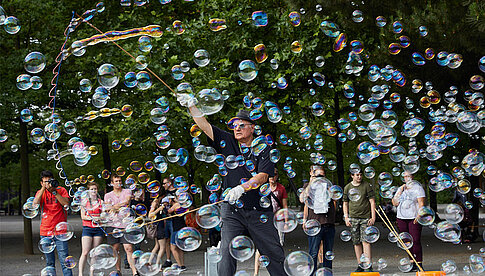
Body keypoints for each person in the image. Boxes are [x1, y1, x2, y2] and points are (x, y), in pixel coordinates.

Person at [177, 93, 285, 275]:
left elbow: (263, 176)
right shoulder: (228, 142)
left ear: (253, 128)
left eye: (241, 125)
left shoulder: (264, 148)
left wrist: (241, 187)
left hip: (259, 210)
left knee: (273, 254)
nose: (237, 128)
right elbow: (204, 126)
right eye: (234, 125)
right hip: (232, 211)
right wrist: (191, 105)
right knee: (226, 254)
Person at [33, 170, 72, 276]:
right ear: (41, 183)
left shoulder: (61, 190)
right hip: (45, 231)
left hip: (61, 231)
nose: (48, 183)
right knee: (49, 262)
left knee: (65, 260)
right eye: (45, 181)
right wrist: (43, 189)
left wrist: (54, 192)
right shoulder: (40, 192)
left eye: (49, 181)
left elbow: (65, 203)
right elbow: (35, 204)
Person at [299, 165, 336, 274]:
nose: (320, 178)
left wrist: (329, 189)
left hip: (328, 223)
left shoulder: (329, 186)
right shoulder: (308, 186)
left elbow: (335, 198)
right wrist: (311, 183)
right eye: (318, 175)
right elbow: (302, 200)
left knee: (328, 253)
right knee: (313, 253)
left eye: (322, 175)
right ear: (312, 174)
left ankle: (327, 274)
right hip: (314, 223)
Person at [254, 168, 287, 275]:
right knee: (260, 246)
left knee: (278, 245)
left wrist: (286, 221)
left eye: (275, 174)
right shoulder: (262, 188)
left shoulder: (281, 188)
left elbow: (284, 206)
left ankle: (277, 271)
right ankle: (256, 273)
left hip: (278, 220)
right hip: (265, 220)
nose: (273, 176)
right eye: (271, 174)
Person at [104, 175, 138, 276]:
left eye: (119, 181)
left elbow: (126, 202)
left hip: (126, 224)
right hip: (112, 224)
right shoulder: (108, 195)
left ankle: (134, 272)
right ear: (112, 183)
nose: (118, 183)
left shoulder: (127, 191)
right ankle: (118, 271)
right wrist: (117, 207)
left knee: (129, 248)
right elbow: (107, 209)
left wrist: (114, 207)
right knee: (115, 249)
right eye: (116, 181)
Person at [343, 171, 376, 272]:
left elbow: (372, 202)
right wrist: (346, 217)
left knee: (366, 241)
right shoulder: (347, 187)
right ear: (352, 175)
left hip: (365, 217)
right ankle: (360, 265)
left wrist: (373, 217)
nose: (359, 177)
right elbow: (345, 203)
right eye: (357, 175)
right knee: (356, 242)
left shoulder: (366, 186)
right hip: (353, 218)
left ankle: (368, 264)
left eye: (361, 175)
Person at [392, 171, 426, 272]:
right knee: (406, 241)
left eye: (408, 176)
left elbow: (421, 203)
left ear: (412, 176)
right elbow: (394, 203)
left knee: (415, 240)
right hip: (401, 217)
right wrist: (400, 191)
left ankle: (419, 263)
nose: (407, 178)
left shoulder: (418, 188)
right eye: (405, 176)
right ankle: (412, 262)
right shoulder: (401, 189)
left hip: (414, 217)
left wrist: (419, 215)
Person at [78, 182, 104, 276]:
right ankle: (80, 273)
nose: (93, 191)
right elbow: (83, 216)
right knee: (85, 252)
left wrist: (100, 218)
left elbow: (104, 215)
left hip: (98, 228)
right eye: (92, 189)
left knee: (95, 252)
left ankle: (91, 273)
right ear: (88, 191)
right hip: (87, 228)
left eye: (95, 189)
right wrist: (93, 218)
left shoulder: (101, 202)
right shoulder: (85, 202)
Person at [148, 193, 170, 269]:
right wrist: (158, 209)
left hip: (158, 227)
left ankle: (150, 262)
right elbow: (150, 215)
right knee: (162, 247)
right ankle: (157, 265)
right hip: (158, 228)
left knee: (157, 246)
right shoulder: (155, 203)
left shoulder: (157, 203)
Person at [167, 196, 187, 271]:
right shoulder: (182, 204)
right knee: (180, 247)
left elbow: (168, 211)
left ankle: (179, 265)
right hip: (182, 227)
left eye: (169, 199)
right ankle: (182, 265)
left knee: (173, 247)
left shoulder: (176, 205)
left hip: (177, 228)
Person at [160, 178, 176, 268]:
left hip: (174, 220)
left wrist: (172, 202)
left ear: (169, 183)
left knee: (174, 241)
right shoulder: (165, 193)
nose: (163, 185)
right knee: (166, 239)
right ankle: (168, 259)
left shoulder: (176, 192)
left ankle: (178, 260)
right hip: (166, 219)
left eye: (164, 183)